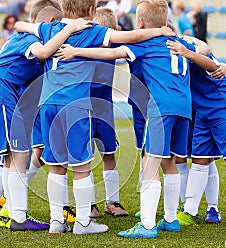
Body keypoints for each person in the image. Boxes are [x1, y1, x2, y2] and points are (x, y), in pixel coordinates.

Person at [16, 0, 177, 235]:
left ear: (63, 9)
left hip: (48, 102)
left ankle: (56, 222)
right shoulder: (93, 31)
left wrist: (60, 29)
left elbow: (22, 25)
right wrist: (160, 31)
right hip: (76, 104)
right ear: (91, 11)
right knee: (81, 167)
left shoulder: (49, 28)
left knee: (56, 166)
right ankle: (83, 222)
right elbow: (131, 37)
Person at [55, 0, 213, 238]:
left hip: (161, 108)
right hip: (184, 107)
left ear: (140, 23)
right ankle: (170, 219)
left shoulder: (146, 43)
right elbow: (205, 50)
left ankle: (147, 225)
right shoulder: (180, 43)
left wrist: (76, 51)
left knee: (150, 162)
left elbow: (111, 53)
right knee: (170, 161)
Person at [0, 5, 92, 231]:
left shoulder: (20, 36)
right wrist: (71, 29)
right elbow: (44, 52)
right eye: (58, 24)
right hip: (0, 97)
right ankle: (16, 216)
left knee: (15, 157)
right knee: (19, 155)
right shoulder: (29, 38)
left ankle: (13, 210)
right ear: (51, 21)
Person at [168, 37, 226, 230]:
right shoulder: (158, 49)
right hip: (201, 110)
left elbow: (207, 54)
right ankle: (190, 211)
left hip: (221, 104)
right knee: (200, 160)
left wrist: (188, 52)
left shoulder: (180, 44)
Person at [88, 7, 129, 218]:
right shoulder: (85, 43)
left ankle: (112, 202)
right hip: (83, 108)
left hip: (104, 108)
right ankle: (89, 204)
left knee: (108, 154)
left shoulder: (115, 44)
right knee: (84, 157)